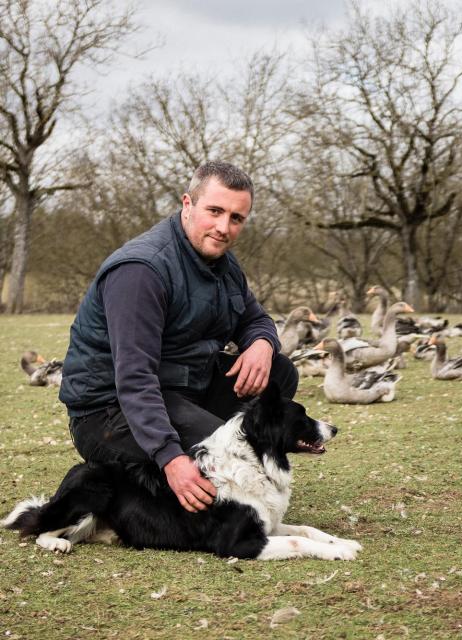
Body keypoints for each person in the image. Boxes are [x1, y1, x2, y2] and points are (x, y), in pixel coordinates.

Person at [59, 161, 297, 513]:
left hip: (182, 389)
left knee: (278, 373)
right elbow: (135, 379)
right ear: (188, 204)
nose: (223, 228)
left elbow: (255, 319)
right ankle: (156, 479)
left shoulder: (223, 265)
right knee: (225, 452)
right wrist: (171, 458)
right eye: (214, 211)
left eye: (236, 218)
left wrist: (262, 343)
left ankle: (214, 460)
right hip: (110, 411)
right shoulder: (142, 271)